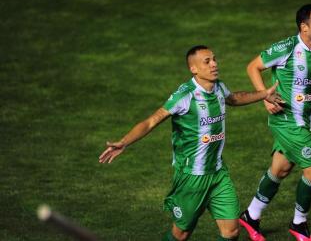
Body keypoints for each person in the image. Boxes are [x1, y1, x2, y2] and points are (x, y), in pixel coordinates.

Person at [99, 45, 284, 241]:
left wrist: (264, 94)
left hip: (218, 173)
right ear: (193, 69)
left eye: (214, 59)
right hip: (191, 177)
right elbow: (152, 120)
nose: (214, 64)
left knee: (231, 231)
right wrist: (124, 142)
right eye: (207, 61)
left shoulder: (219, 87)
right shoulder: (185, 95)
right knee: (181, 234)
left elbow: (234, 98)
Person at [238, 4, 311, 241]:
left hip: (305, 121)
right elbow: (253, 66)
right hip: (286, 120)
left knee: (281, 169)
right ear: (304, 27)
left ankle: (250, 215)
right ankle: (299, 224)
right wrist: (264, 95)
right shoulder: (286, 48)